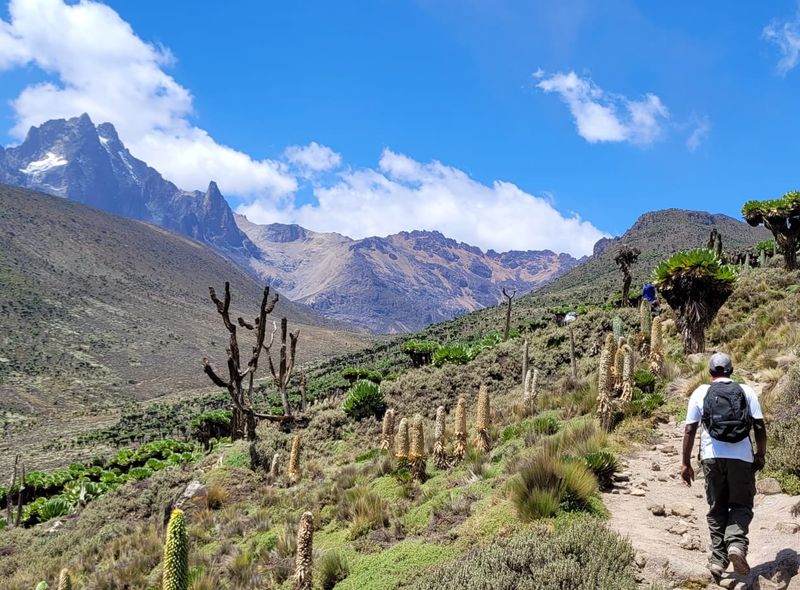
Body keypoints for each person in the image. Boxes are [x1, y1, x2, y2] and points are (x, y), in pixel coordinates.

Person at [680, 352, 767, 582]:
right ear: (731, 371)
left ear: (711, 373)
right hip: (741, 458)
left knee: (717, 507)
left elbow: (690, 429)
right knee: (741, 504)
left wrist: (685, 463)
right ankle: (736, 544)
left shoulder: (701, 392)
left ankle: (718, 560)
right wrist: (761, 454)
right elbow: (759, 426)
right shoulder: (746, 391)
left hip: (711, 458)